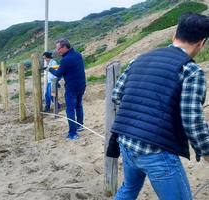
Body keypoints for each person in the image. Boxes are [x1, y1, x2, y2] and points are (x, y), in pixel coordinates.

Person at [109, 13, 209, 199]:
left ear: (174, 36)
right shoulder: (191, 70)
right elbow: (192, 120)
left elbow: (116, 95)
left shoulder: (138, 59)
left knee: (128, 190)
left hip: (126, 142)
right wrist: (206, 151)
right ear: (201, 42)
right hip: (156, 151)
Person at [46, 38, 86, 140]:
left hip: (71, 87)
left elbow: (58, 74)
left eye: (59, 49)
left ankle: (73, 133)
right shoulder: (77, 54)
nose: (58, 51)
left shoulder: (65, 60)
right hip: (81, 85)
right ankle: (80, 125)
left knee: (70, 110)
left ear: (65, 47)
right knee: (78, 105)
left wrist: (49, 69)